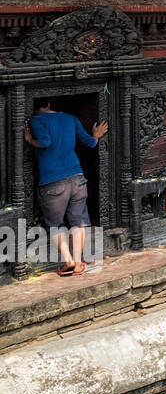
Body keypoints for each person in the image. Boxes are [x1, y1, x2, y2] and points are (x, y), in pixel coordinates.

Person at [24, 98, 106, 276]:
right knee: (79, 220)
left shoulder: (36, 120)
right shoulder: (71, 118)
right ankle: (78, 261)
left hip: (53, 182)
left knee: (55, 224)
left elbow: (45, 142)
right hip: (77, 178)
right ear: (49, 104)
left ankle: (68, 261)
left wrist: (30, 140)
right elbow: (90, 143)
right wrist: (96, 135)